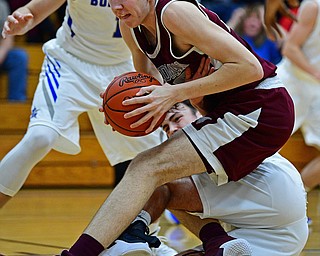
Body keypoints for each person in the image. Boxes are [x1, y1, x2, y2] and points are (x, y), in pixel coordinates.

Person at [58, 0, 304, 255]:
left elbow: (250, 67)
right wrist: (127, 108)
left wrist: (175, 93)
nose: (116, 7)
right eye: (110, 1)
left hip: (261, 107)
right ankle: (217, 241)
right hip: (228, 110)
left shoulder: (174, 13)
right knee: (162, 176)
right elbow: (147, 86)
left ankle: (81, 252)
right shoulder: (130, 25)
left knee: (146, 167)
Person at [0, 1, 176, 255]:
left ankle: (141, 235)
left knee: (156, 156)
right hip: (70, 63)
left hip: (124, 70)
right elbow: (33, 12)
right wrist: (21, 19)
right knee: (40, 136)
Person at [100, 100, 307, 256]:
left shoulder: (215, 123)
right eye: (166, 128)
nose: (171, 130)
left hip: (271, 186)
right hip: (286, 235)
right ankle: (210, 242)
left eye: (176, 119)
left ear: (198, 112)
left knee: (160, 180)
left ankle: (133, 235)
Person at [276, 0, 320, 193]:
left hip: (315, 90)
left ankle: (295, 199)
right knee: (250, 149)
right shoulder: (313, 6)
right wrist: (316, 73)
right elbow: (290, 48)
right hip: (291, 83)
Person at [0, 0, 28, 102]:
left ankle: (17, 102)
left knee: (19, 57)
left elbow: (8, 37)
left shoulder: (1, 5)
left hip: (1, 55)